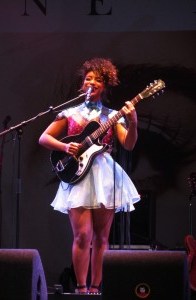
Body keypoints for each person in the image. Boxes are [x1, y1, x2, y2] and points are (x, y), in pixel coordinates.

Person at [39, 57, 140, 294]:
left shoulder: (112, 115)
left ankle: (97, 287)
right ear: (82, 84)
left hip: (105, 175)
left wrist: (133, 122)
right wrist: (65, 147)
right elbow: (44, 138)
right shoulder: (69, 113)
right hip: (78, 175)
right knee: (83, 236)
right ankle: (81, 288)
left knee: (102, 239)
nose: (91, 82)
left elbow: (128, 144)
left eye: (98, 80)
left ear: (105, 86)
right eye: (88, 79)